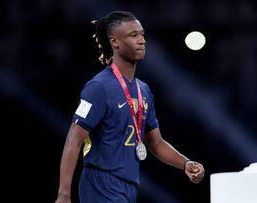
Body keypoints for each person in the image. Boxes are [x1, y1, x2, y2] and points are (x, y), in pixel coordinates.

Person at [55, 10, 205, 203]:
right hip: (100, 184)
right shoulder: (99, 87)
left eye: (142, 34)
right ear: (114, 42)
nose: (142, 40)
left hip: (129, 187)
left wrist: (185, 163)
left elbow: (156, 144)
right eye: (133, 35)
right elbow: (73, 139)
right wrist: (64, 194)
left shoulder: (143, 90)